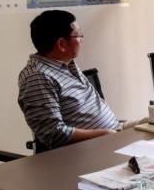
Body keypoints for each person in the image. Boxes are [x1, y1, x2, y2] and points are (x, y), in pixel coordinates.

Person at [18, 10, 120, 151]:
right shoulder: (37, 77)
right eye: (78, 35)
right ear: (61, 44)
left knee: (149, 125)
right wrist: (105, 134)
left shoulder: (66, 64)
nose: (81, 40)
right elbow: (53, 134)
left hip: (112, 136)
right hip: (87, 151)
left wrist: (120, 129)